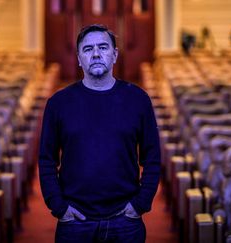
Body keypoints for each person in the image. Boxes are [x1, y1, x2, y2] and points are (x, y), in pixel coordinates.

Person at [38, 24, 161, 243]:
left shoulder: (138, 100)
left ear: (114, 54)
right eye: (88, 49)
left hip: (126, 220)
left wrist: (140, 203)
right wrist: (59, 207)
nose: (96, 54)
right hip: (74, 222)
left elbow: (152, 158)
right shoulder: (58, 103)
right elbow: (46, 160)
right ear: (78, 58)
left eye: (103, 47)